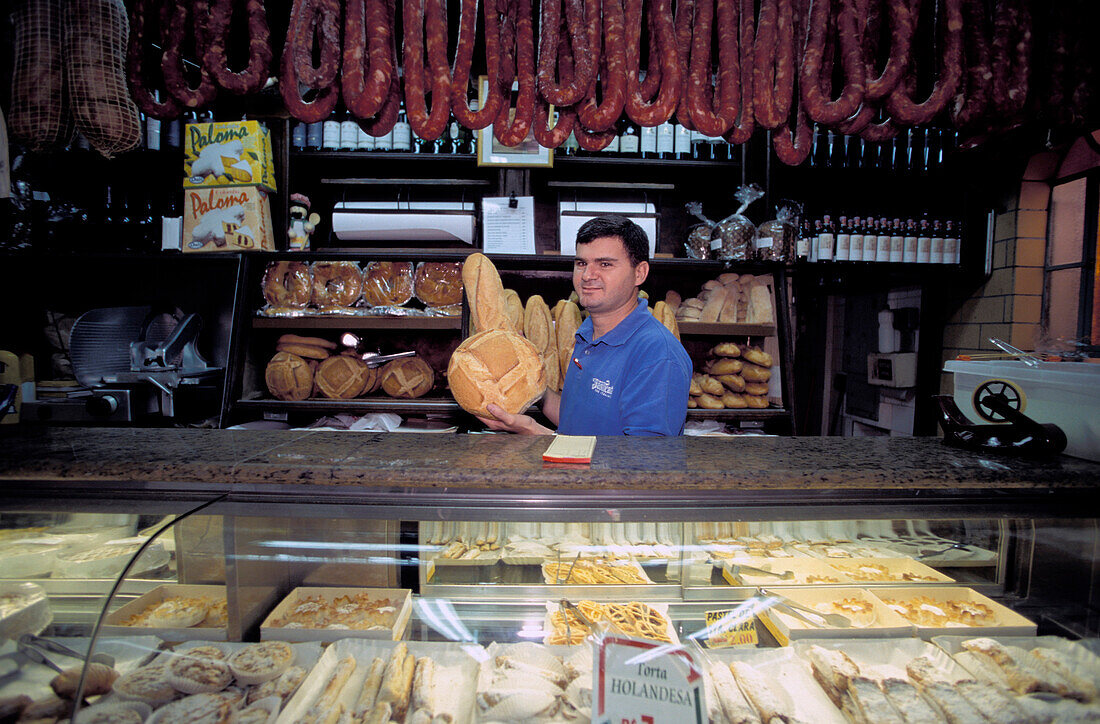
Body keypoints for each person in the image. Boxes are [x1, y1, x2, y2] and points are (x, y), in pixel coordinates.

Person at [479, 215, 692, 435]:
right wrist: (534, 383)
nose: (587, 275)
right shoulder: (586, 335)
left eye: (605, 264)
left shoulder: (657, 355)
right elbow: (576, 421)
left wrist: (535, 432)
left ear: (640, 273)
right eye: (581, 263)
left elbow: (645, 462)